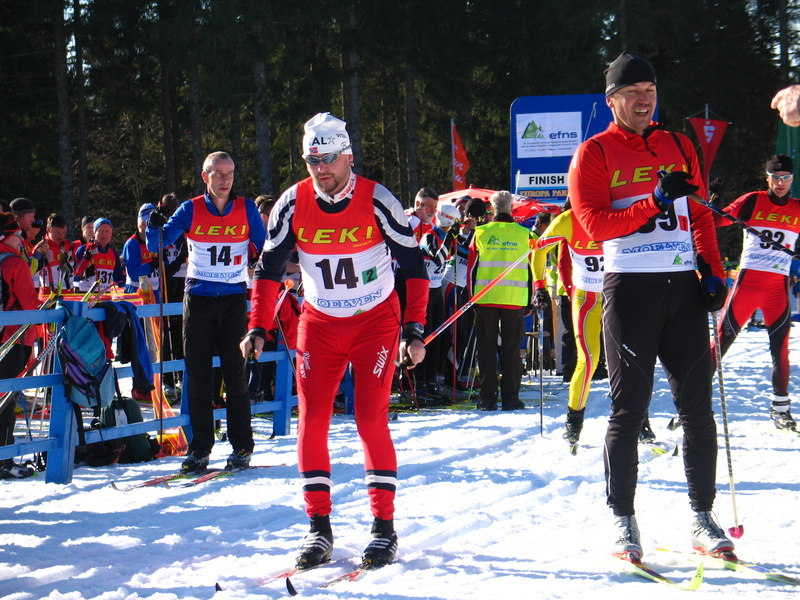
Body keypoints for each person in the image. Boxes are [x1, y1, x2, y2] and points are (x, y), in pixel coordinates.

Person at [241, 112, 429, 571]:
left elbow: (413, 266)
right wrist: (258, 326)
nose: (321, 168)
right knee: (312, 421)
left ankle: (383, 528)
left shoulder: (378, 199)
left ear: (348, 156)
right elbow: (268, 269)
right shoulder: (292, 202)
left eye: (328, 158)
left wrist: (413, 330)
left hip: (374, 323)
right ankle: (318, 528)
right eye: (312, 160)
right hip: (320, 324)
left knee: (369, 419)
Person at [568, 52, 732, 560]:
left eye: (651, 91)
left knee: (697, 410)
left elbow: (700, 214)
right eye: (633, 92)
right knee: (628, 410)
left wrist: (714, 271)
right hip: (630, 291)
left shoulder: (678, 144)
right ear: (612, 100)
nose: (644, 100)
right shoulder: (594, 152)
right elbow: (595, 225)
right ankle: (623, 521)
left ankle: (703, 518)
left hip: (682, 289)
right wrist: (653, 202)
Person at [146, 151, 266, 473]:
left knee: (235, 374)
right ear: (205, 176)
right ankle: (200, 449)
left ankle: (242, 446)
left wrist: (264, 265)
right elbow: (157, 243)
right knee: (197, 377)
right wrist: (154, 227)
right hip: (198, 299)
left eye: (230, 173)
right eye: (218, 173)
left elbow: (265, 246)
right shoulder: (191, 208)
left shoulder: (246, 208)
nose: (225, 180)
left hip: (232, 299)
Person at [714, 155, 800, 431]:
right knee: (720, 344)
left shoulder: (798, 209)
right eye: (775, 177)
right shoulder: (753, 200)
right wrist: (714, 201)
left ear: (792, 179)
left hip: (777, 289)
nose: (780, 183)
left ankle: (781, 410)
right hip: (747, 285)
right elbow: (716, 221)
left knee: (781, 350)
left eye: (785, 178)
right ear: (767, 178)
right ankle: (689, 402)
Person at [533, 208, 605, 445]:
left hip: (617, 295)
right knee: (588, 359)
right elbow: (539, 249)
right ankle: (574, 422)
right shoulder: (568, 219)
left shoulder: (616, 209)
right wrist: (539, 286)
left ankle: (640, 420)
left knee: (628, 357)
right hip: (586, 298)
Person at [467, 190, 531, 412]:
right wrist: (529, 300)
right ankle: (511, 398)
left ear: (492, 209)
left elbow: (471, 269)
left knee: (486, 349)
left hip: (485, 298)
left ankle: (488, 399)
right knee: (512, 350)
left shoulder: (481, 233)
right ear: (511, 208)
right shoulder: (525, 234)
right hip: (515, 299)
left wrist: (471, 298)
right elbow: (532, 269)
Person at [0, 215, 40, 478]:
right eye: (16, 235)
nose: (20, 239)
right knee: (5, 400)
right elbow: (29, 303)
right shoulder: (14, 262)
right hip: (12, 339)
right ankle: (4, 460)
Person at [73, 218, 125, 293]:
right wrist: (84, 270)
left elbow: (119, 279)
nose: (104, 234)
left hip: (104, 294)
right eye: (101, 231)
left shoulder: (113, 254)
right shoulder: (84, 249)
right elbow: (73, 275)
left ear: (111, 234)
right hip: (85, 293)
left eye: (107, 231)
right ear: (95, 233)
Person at [122, 204, 161, 297]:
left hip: (154, 292)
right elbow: (133, 274)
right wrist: (151, 265)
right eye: (152, 224)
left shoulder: (157, 242)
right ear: (143, 224)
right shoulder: (132, 244)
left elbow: (163, 270)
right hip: (136, 293)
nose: (156, 228)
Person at [37, 213, 74, 293]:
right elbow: (31, 273)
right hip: (49, 294)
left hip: (68, 293)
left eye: (63, 232)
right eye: (57, 233)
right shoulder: (42, 247)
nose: (61, 236)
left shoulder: (68, 245)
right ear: (48, 229)